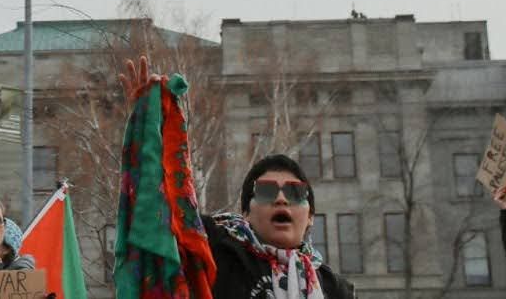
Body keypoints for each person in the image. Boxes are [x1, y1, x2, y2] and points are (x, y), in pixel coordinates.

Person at [119, 59, 352, 299]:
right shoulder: (218, 250)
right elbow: (166, 211)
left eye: (294, 192)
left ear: (311, 216)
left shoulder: (336, 289)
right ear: (246, 214)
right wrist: (148, 127)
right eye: (266, 191)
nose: (281, 199)